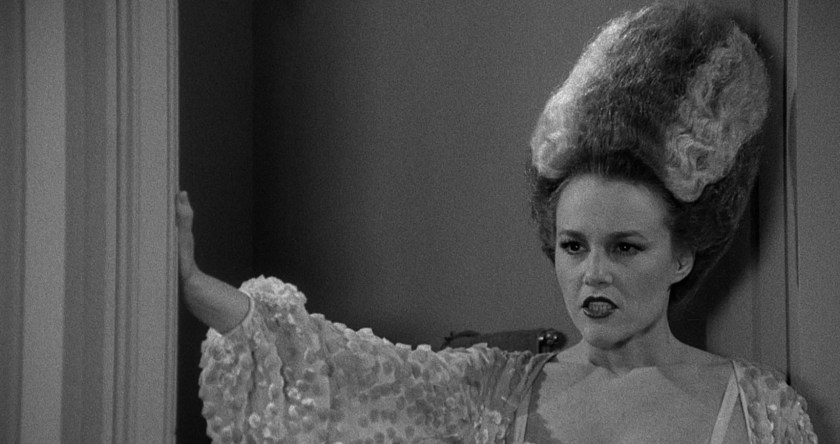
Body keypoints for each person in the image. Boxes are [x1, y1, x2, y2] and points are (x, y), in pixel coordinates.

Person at [178, 3, 818, 443]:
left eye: (625, 247)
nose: (593, 274)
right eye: (573, 246)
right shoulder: (491, 389)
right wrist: (195, 285)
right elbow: (331, 368)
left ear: (683, 255)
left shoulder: (761, 410)